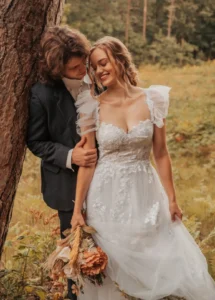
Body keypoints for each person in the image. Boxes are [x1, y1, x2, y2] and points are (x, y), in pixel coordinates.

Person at [71, 36, 215, 300]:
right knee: (109, 265)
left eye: (104, 63)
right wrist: (77, 209)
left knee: (154, 255)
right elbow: (89, 162)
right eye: (95, 68)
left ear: (120, 59)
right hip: (105, 195)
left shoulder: (153, 100)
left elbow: (160, 154)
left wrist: (172, 199)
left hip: (145, 193)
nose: (100, 71)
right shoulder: (91, 107)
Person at [27, 26, 97, 300]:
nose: (83, 70)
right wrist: (71, 156)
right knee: (76, 253)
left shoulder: (99, 76)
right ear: (57, 69)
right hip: (66, 185)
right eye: (75, 67)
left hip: (108, 176)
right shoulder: (41, 94)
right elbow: (36, 141)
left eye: (84, 62)